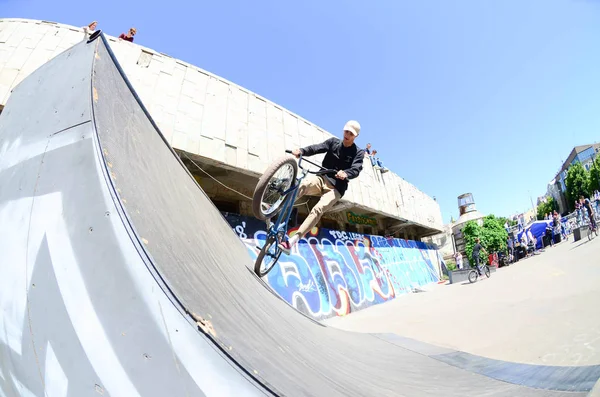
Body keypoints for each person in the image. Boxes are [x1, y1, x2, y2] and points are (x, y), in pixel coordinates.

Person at [278, 120, 364, 254]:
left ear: (355, 136)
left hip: (336, 188)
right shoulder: (333, 142)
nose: (347, 135)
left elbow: (357, 169)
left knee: (318, 209)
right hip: (322, 178)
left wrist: (346, 173)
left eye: (351, 134)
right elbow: (317, 148)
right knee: (303, 184)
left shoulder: (358, 153)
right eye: (346, 131)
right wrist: (301, 151)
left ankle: (293, 240)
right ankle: (277, 210)